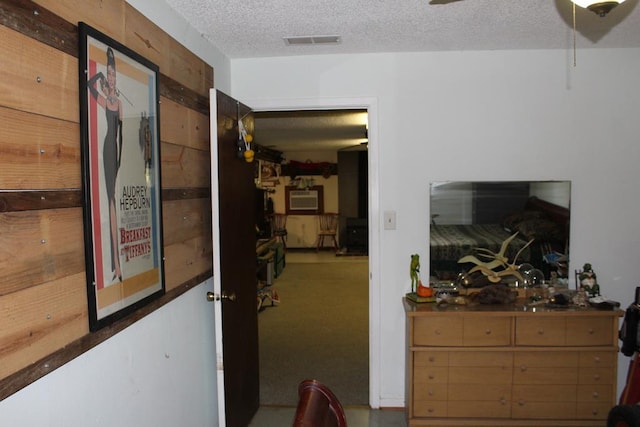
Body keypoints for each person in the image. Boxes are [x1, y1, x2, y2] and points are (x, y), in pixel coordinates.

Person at [87, 47, 123, 283]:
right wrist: (98, 78)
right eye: (108, 74)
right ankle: (116, 266)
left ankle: (117, 265)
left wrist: (121, 160)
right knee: (110, 201)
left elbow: (123, 132)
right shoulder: (105, 99)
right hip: (107, 148)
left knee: (113, 201)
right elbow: (90, 87)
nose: (110, 78)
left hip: (115, 151)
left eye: (112, 75)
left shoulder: (117, 102)